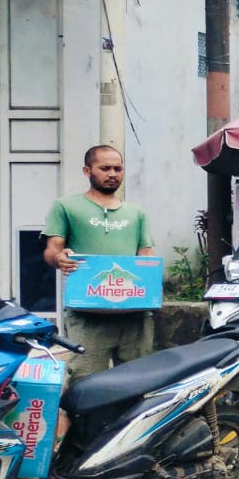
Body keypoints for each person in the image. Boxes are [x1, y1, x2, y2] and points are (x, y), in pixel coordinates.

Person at [42, 145, 156, 381]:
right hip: (87, 315)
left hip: (133, 315)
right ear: (87, 170)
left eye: (118, 168)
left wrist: (150, 294)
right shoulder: (66, 207)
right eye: (105, 168)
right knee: (84, 383)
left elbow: (146, 258)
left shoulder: (136, 212)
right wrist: (60, 258)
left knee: (139, 382)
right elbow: (52, 251)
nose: (112, 173)